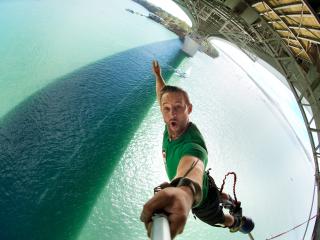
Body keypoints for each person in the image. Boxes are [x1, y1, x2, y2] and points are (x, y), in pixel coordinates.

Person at [140, 60, 249, 239]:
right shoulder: (170, 122)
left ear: (189, 109)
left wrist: (184, 192)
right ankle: (225, 198)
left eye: (178, 108)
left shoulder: (193, 146)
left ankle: (237, 222)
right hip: (207, 184)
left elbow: (194, 166)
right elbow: (162, 94)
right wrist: (158, 76)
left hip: (202, 202)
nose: (171, 113)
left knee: (219, 220)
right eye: (166, 109)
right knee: (213, 191)